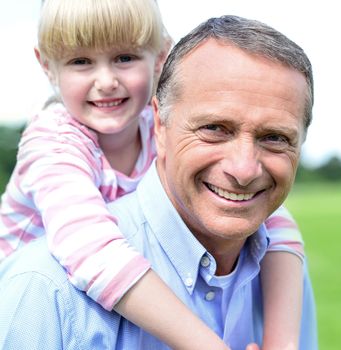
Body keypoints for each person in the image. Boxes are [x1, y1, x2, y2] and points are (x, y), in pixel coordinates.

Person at [0, 1, 306, 349]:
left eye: (125, 58)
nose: (106, 81)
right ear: (46, 66)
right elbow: (90, 250)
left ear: (160, 55)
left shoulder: (156, 124)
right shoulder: (53, 142)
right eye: (80, 61)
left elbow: (273, 217)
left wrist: (282, 343)